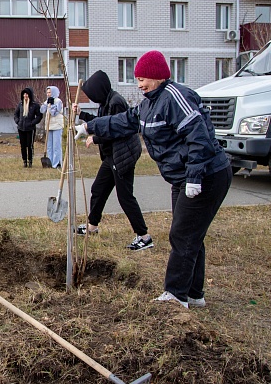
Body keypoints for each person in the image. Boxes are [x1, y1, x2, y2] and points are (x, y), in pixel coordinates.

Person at [74, 51, 232, 308]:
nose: (139, 84)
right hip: (183, 177)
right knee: (191, 233)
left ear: (158, 75)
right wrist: (90, 127)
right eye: (137, 78)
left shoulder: (175, 97)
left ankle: (175, 295)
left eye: (143, 78)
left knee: (182, 234)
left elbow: (198, 135)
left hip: (206, 174)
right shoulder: (149, 103)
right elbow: (124, 121)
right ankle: (194, 294)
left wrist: (194, 176)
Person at [72, 70, 152, 250]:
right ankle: (92, 226)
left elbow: (117, 129)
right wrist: (83, 114)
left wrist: (96, 138)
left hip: (123, 155)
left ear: (99, 90)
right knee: (98, 189)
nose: (92, 98)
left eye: (92, 94)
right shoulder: (106, 101)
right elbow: (103, 122)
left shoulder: (116, 103)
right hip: (112, 156)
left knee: (125, 197)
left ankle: (144, 236)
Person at [13, 87, 43, 168]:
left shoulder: (34, 105)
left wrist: (32, 123)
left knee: (29, 145)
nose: (25, 96)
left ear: (29, 95)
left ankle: (30, 161)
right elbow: (16, 114)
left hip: (30, 128)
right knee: (23, 145)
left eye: (27, 94)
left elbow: (39, 116)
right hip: (21, 128)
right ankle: (24, 161)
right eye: (24, 94)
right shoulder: (20, 104)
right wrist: (17, 121)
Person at [40, 85, 64, 169]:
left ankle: (57, 163)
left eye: (49, 92)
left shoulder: (58, 101)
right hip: (49, 126)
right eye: (47, 92)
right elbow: (42, 110)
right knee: (49, 145)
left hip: (57, 125)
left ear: (54, 92)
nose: (48, 94)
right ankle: (49, 162)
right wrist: (46, 104)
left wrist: (50, 107)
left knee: (56, 145)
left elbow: (54, 113)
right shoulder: (47, 101)